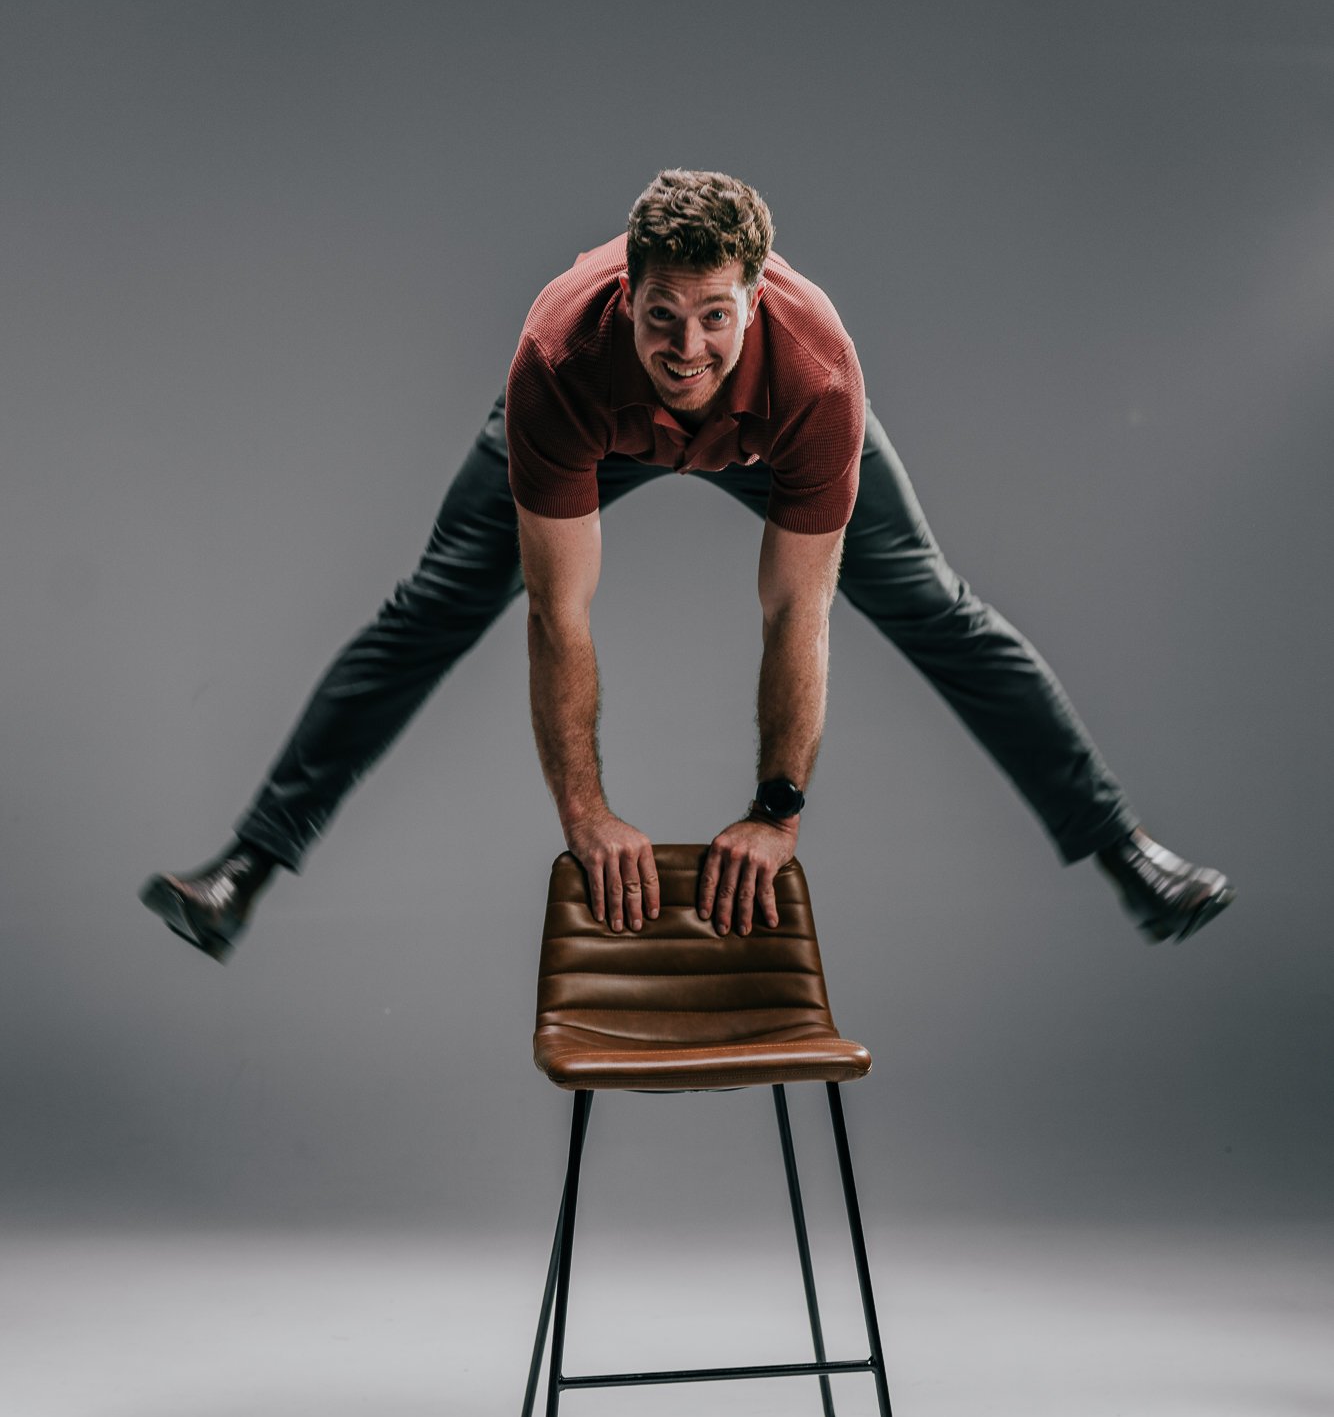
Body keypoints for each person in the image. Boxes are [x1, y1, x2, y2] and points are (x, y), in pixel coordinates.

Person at [139, 168, 1232, 956]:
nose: (687, 347)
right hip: (592, 432)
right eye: (663, 316)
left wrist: (775, 810)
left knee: (932, 607)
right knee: (429, 608)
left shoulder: (815, 380)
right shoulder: (559, 361)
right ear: (628, 299)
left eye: (716, 317)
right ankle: (247, 866)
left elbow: (792, 616)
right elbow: (558, 616)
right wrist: (584, 812)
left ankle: (1121, 848)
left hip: (768, 441)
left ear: (753, 300)